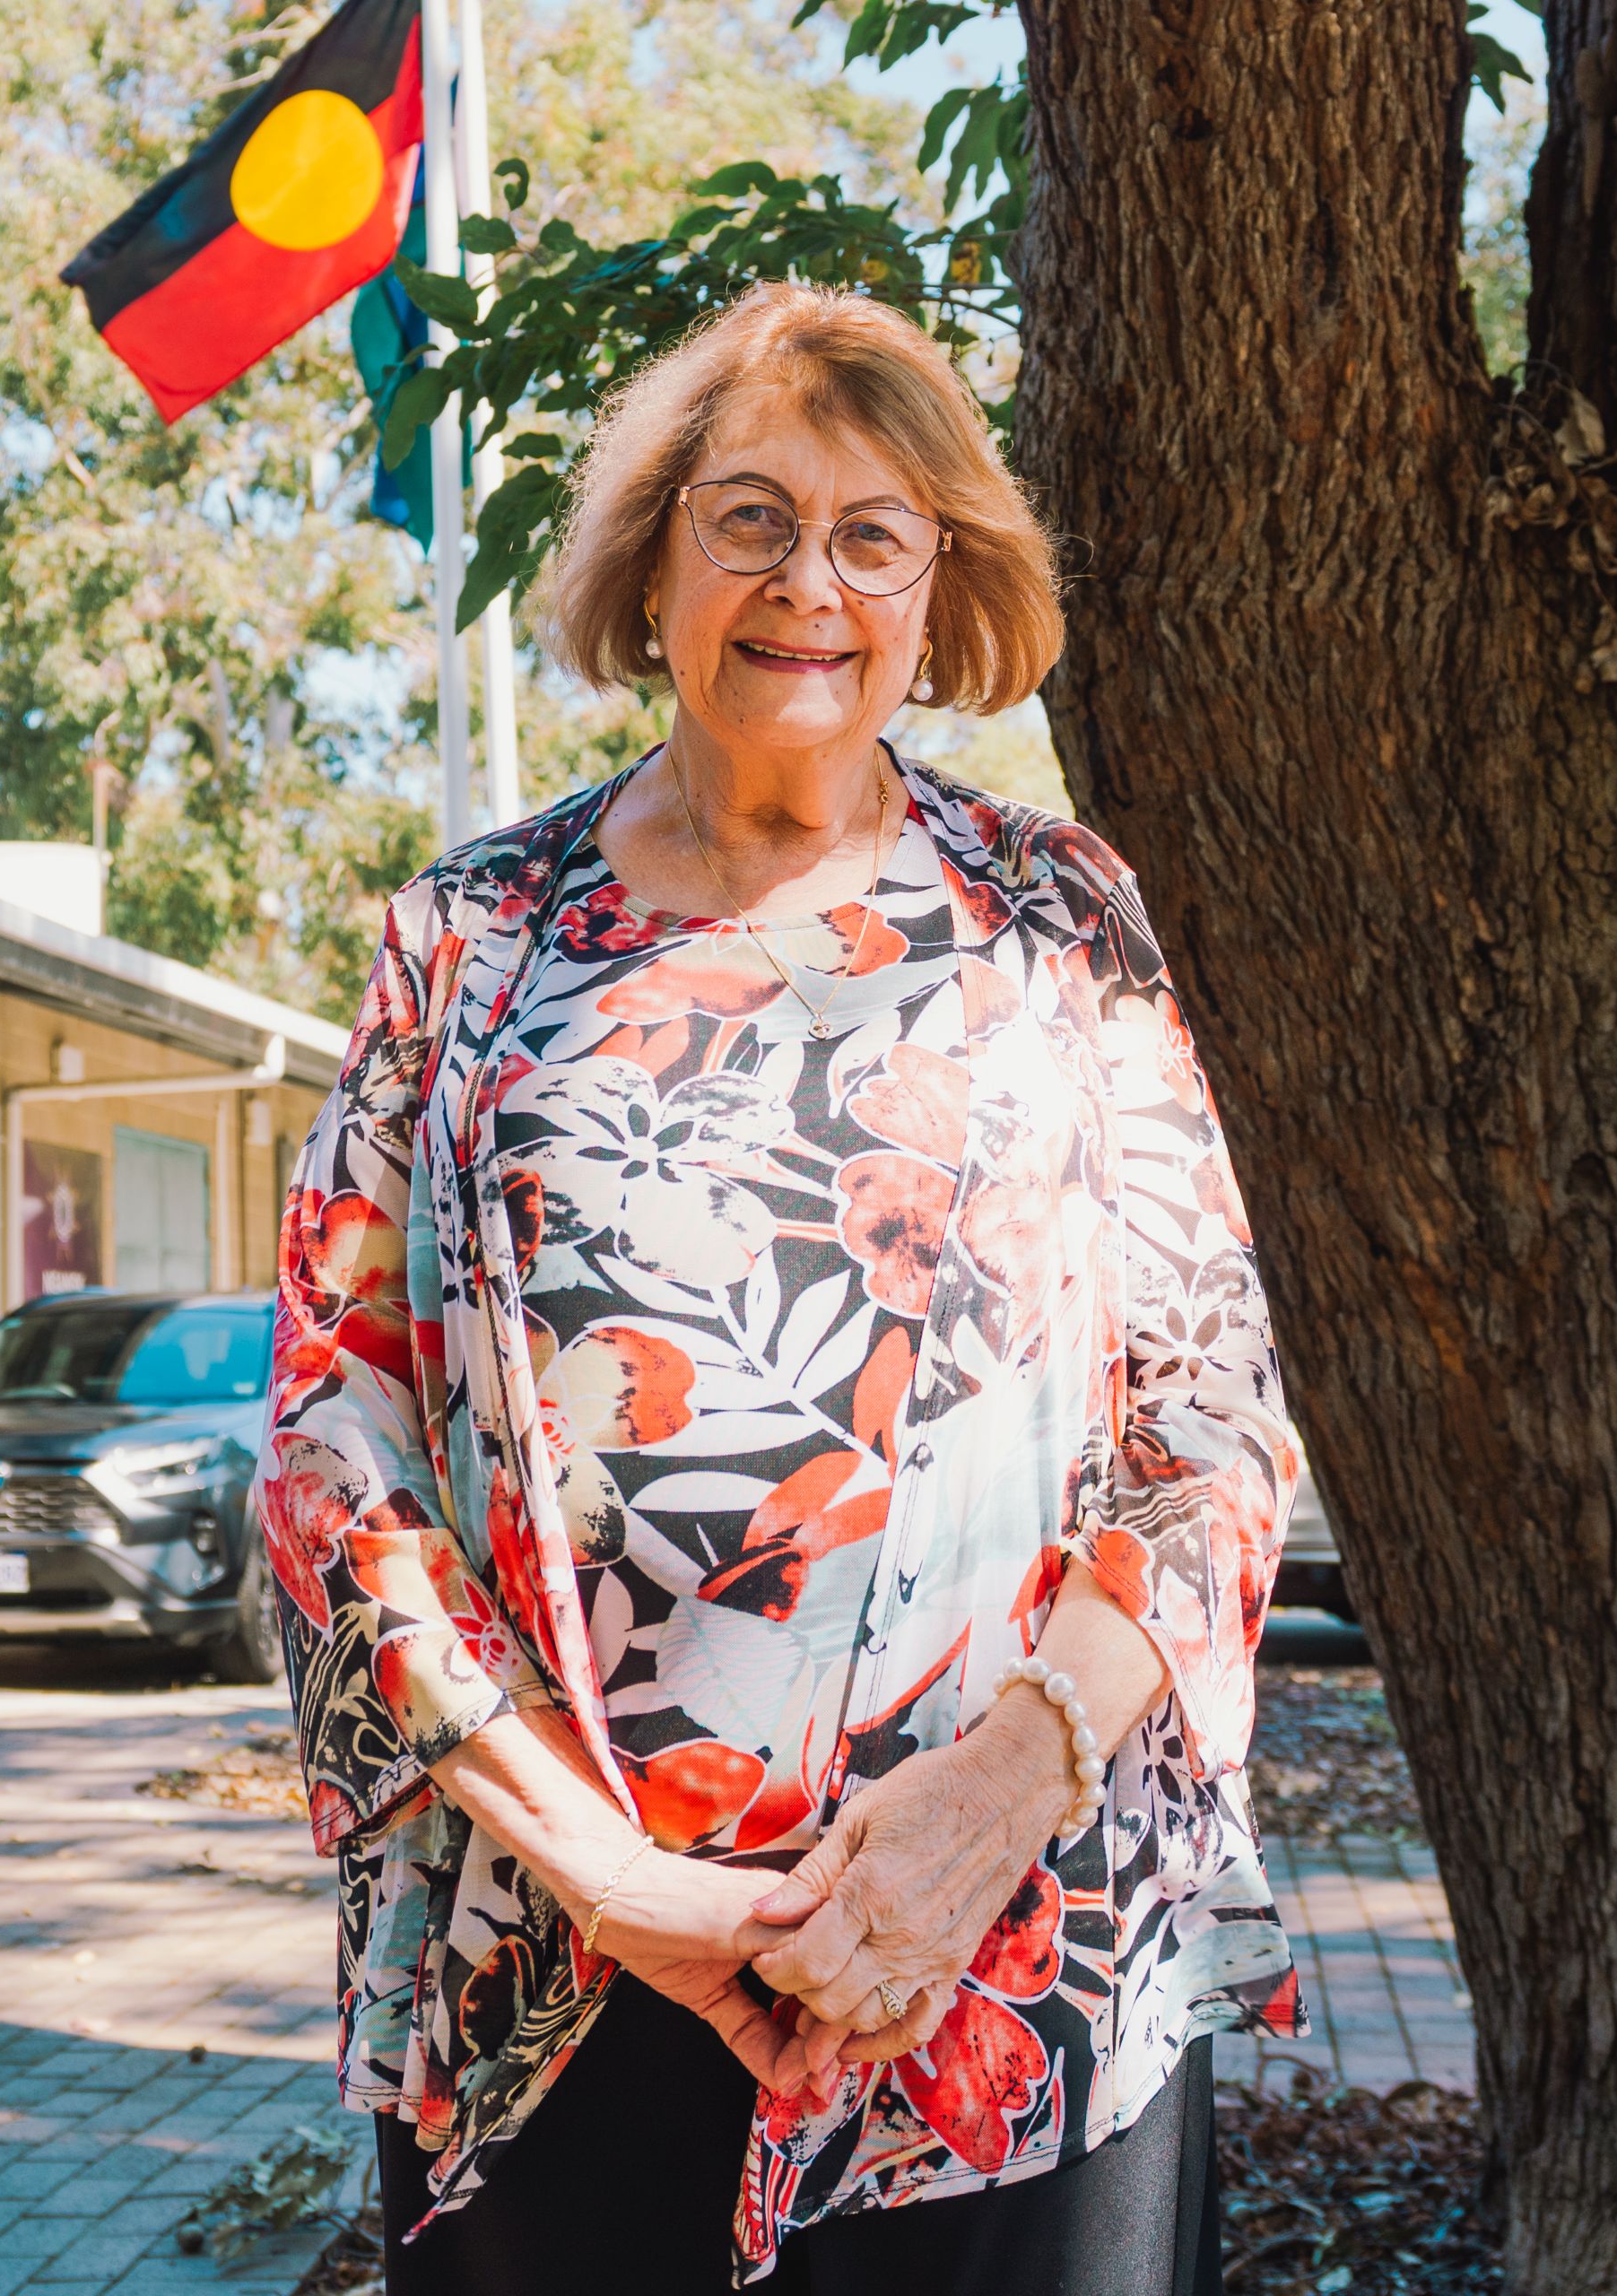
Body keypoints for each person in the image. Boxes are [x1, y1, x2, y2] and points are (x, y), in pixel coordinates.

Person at [262, 283, 1305, 2293]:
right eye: (744, 517)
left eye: (868, 533)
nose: (801, 583)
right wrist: (608, 1871)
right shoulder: (463, 943)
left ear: (938, 587)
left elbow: (1208, 1421)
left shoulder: (1053, 913)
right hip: (555, 1959)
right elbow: (331, 1446)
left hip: (1008, 1962)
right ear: (648, 560)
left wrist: (988, 1805)